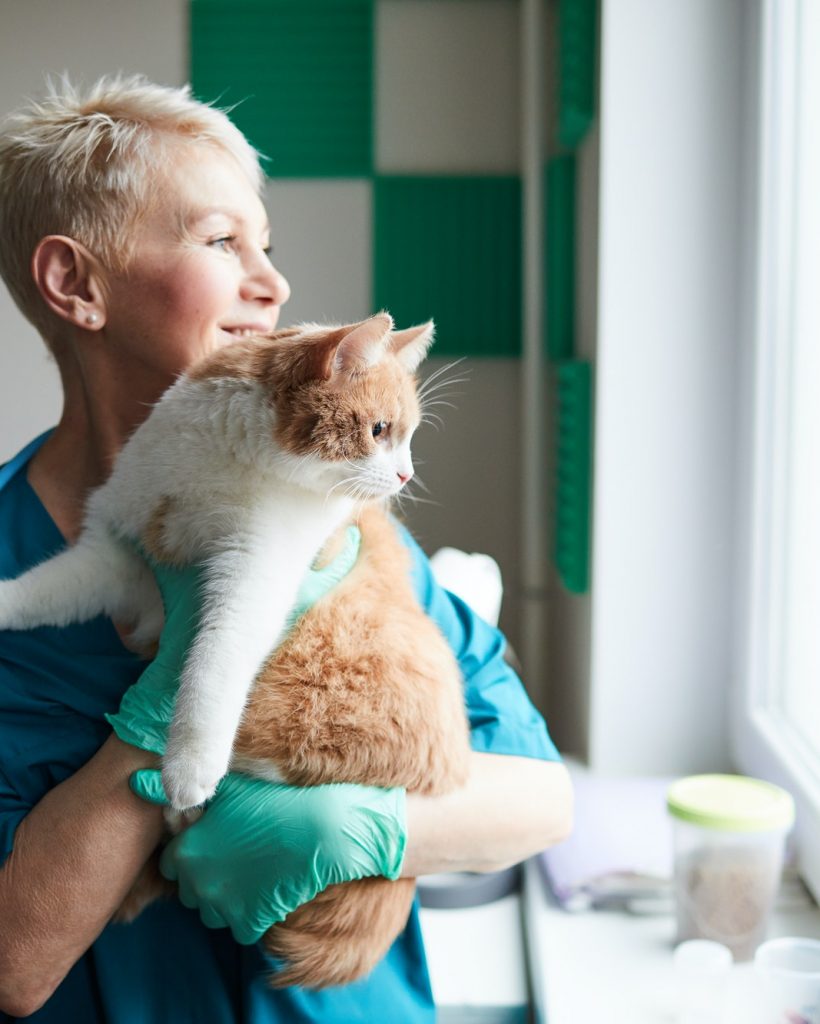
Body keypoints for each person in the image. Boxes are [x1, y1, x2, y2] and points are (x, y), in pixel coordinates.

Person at [0, 75, 572, 1023]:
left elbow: (544, 800)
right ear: (75, 284)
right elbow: (13, 967)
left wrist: (371, 828)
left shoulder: (331, 514)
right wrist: (160, 716)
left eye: (270, 246)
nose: (274, 284)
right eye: (223, 242)